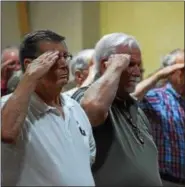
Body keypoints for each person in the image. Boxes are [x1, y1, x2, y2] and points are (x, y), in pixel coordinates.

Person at [1, 30, 96, 186]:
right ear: (30, 65)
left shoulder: (74, 108)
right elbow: (7, 132)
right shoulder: (8, 106)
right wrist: (30, 76)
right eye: (54, 58)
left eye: (65, 57)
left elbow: (88, 159)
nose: (64, 64)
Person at [71, 33, 162, 186]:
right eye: (130, 64)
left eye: (139, 66)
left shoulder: (134, 108)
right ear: (106, 64)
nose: (137, 73)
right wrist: (116, 67)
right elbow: (92, 111)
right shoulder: (85, 96)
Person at [132, 49, 185, 186]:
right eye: (182, 69)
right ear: (172, 72)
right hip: (165, 180)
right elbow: (131, 99)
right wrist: (159, 75)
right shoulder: (157, 97)